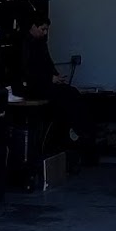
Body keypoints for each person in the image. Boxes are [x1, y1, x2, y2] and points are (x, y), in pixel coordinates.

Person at [16, 12, 94, 164]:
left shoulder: (40, 43)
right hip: (32, 87)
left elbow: (48, 63)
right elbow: (26, 71)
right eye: (43, 29)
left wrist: (56, 76)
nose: (45, 33)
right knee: (69, 96)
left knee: (72, 93)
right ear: (33, 26)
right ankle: (78, 131)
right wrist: (49, 78)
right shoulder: (24, 44)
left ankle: (78, 131)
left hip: (45, 83)